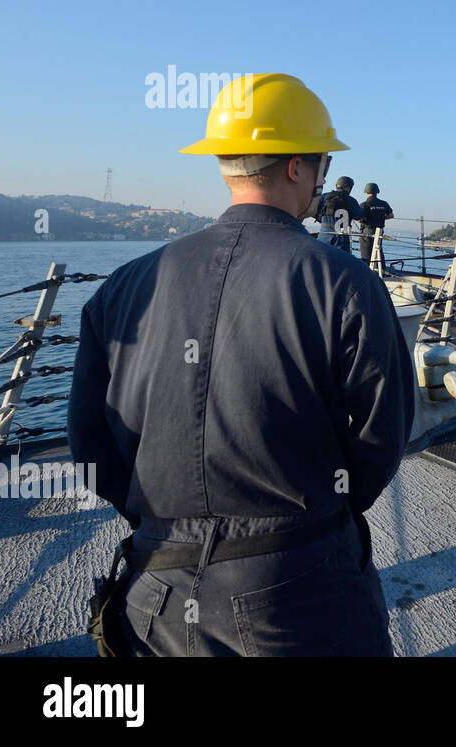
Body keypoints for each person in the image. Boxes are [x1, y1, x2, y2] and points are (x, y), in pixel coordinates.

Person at [66, 74, 416, 656]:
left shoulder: (124, 287)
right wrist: (326, 519)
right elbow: (381, 438)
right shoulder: (346, 284)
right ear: (299, 167)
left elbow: (89, 441)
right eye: (323, 164)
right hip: (304, 593)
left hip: (155, 594)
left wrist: (158, 523)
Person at [317, 176, 363, 252]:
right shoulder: (351, 200)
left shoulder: (324, 196)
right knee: (341, 262)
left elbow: (312, 210)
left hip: (324, 234)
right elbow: (359, 216)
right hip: (341, 237)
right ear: (348, 188)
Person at [359, 182, 394, 266]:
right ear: (377, 192)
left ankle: (366, 269)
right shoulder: (384, 203)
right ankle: (381, 269)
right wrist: (381, 218)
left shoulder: (364, 204)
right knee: (378, 249)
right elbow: (391, 215)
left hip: (368, 230)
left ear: (366, 192)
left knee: (366, 251)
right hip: (379, 230)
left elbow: (359, 219)